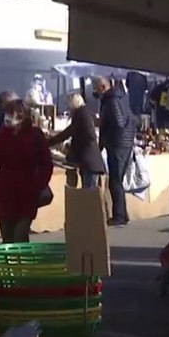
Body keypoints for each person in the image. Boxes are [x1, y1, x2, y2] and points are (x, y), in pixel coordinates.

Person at [0, 99, 54, 243]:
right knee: (7, 239)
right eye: (7, 114)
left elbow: (46, 164)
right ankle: (9, 259)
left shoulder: (35, 135)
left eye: (12, 114)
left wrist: (37, 186)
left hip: (27, 195)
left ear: (22, 117)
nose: (8, 118)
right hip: (3, 195)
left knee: (20, 235)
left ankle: (23, 259)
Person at [92, 76, 135, 226]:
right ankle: (123, 214)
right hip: (125, 143)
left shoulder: (112, 101)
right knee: (118, 181)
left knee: (115, 182)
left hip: (117, 144)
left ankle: (119, 216)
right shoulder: (121, 98)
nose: (95, 92)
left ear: (103, 87)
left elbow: (119, 122)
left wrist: (104, 132)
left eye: (96, 89)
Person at [48, 93, 105, 188]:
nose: (68, 108)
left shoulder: (81, 116)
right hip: (90, 162)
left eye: (68, 105)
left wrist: (49, 142)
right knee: (87, 191)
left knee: (89, 192)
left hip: (89, 162)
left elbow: (68, 133)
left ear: (73, 104)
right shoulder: (85, 113)